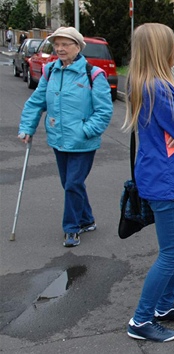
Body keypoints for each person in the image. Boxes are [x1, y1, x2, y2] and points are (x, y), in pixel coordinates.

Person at [124, 23, 174, 342]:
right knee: (173, 252)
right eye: (172, 45)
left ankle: (163, 306)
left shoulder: (155, 83)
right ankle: (141, 320)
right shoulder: (157, 88)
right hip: (167, 181)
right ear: (159, 49)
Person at [17, 26, 113, 247]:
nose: (59, 49)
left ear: (77, 47)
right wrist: (27, 128)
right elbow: (36, 102)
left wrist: (86, 131)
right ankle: (87, 219)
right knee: (71, 184)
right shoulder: (50, 71)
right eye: (57, 44)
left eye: (65, 44)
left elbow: (104, 111)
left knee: (72, 183)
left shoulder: (93, 74)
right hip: (58, 140)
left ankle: (71, 228)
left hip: (83, 143)